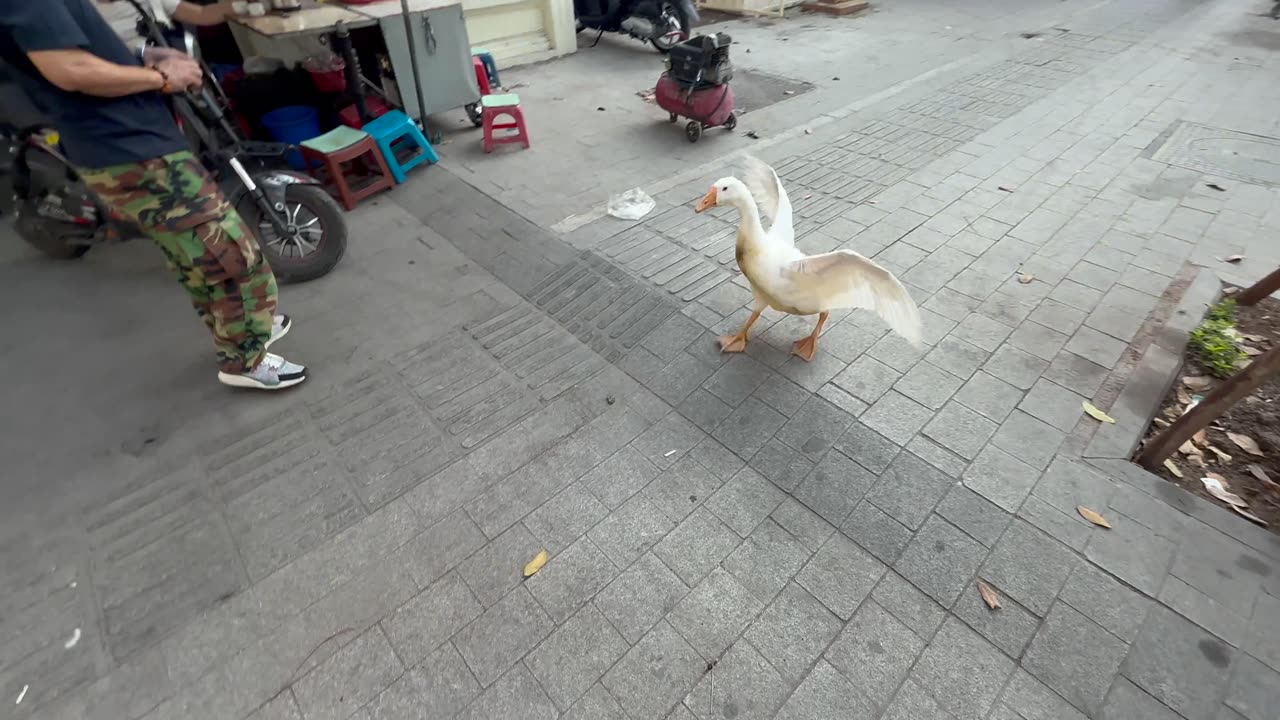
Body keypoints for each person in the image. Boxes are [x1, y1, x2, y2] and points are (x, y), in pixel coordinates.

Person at [0, 0, 307, 390]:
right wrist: (160, 76)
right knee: (232, 255)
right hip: (127, 146)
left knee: (193, 253)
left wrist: (140, 54)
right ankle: (245, 358)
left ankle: (242, 328)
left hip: (127, 142)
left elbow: (72, 53)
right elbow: (69, 69)